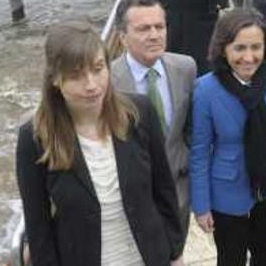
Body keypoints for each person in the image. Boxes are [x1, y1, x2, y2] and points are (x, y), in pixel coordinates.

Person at [16, 21, 185, 266]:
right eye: (76, 75)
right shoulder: (35, 138)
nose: (92, 85)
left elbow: (164, 190)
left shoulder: (139, 113)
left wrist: (176, 252)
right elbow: (38, 225)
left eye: (98, 69)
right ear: (55, 79)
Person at [190, 9, 266, 266]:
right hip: (227, 188)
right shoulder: (205, 89)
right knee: (230, 258)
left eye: (256, 47)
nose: (249, 57)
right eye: (239, 48)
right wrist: (201, 205)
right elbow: (199, 151)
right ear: (223, 49)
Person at [110, 0, 197, 233]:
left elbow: (190, 128)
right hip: (131, 201)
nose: (154, 35)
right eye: (143, 29)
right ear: (122, 37)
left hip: (178, 192)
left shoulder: (186, 67)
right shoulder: (108, 82)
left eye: (159, 26)